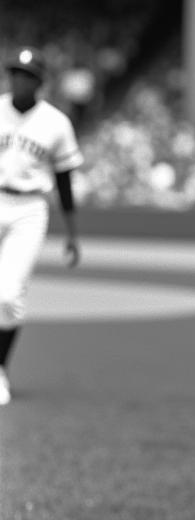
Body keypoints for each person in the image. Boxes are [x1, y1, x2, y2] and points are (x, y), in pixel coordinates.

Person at [0, 47, 83, 405]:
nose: (19, 79)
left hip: (30, 209)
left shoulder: (56, 123)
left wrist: (72, 234)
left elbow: (64, 181)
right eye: (15, 73)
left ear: (39, 82)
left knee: (6, 296)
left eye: (27, 75)